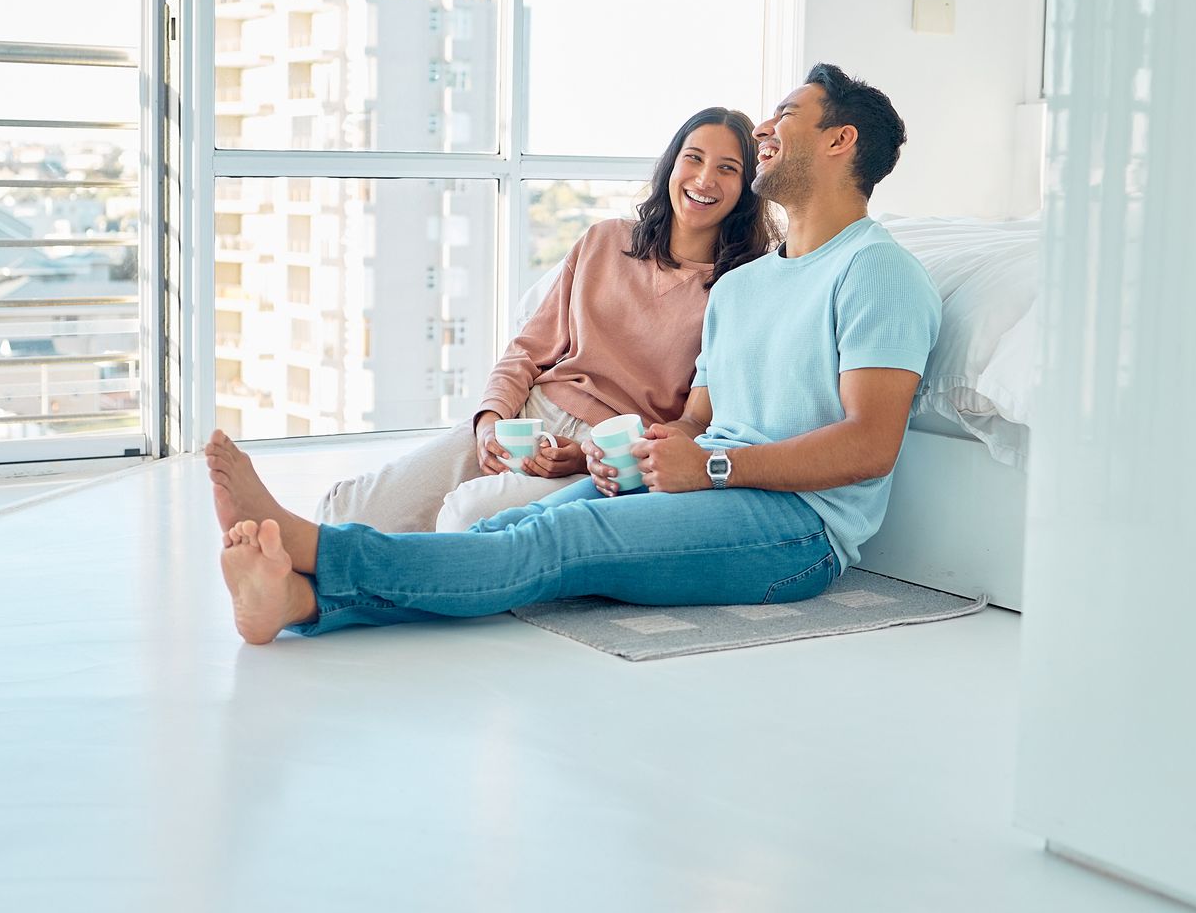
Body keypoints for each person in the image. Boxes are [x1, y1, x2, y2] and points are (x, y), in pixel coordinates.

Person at [205, 64, 941, 644]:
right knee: (507, 530)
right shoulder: (745, 288)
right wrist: (658, 450)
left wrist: (711, 464)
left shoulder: (876, 269)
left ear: (839, 140)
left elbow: (871, 444)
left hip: (795, 531)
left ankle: (317, 548)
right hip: (703, 484)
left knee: (561, 536)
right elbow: (700, 416)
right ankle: (300, 599)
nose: (765, 129)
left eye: (785, 114)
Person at [316, 106, 771, 533]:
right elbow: (527, 350)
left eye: (727, 168)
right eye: (693, 158)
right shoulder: (604, 241)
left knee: (464, 521)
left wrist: (593, 458)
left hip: (604, 451)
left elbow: (698, 420)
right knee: (347, 510)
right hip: (528, 417)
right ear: (672, 165)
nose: (705, 178)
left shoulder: (740, 289)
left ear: (747, 186)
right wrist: (491, 422)